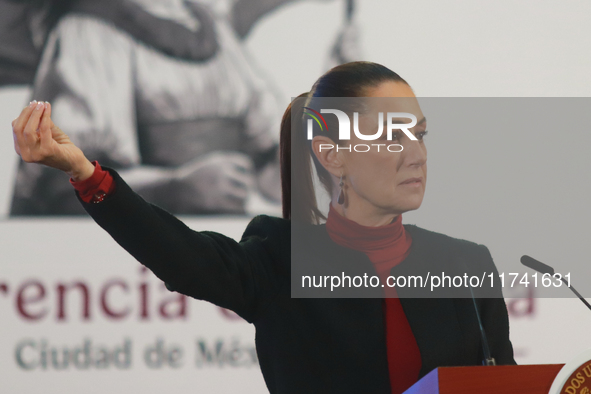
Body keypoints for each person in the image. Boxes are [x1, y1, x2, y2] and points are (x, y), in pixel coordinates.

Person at [11, 61, 515, 394]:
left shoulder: (466, 265)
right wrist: (86, 174)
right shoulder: (278, 259)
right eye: (394, 135)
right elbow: (179, 253)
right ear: (332, 154)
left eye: (420, 135)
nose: (416, 154)